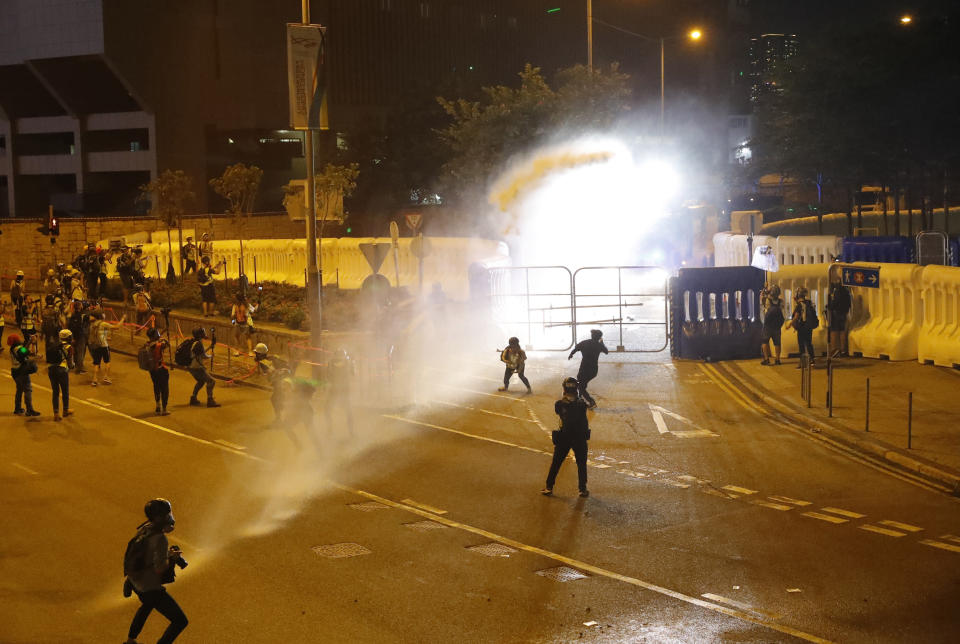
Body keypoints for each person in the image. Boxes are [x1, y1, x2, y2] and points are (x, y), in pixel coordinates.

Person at [123, 498, 189, 644]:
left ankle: (130, 641)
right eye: (167, 514)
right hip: (148, 587)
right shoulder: (160, 539)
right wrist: (171, 558)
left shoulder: (144, 528)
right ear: (160, 518)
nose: (170, 517)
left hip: (134, 581)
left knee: (147, 606)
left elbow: (142, 555)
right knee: (180, 621)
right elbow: (160, 569)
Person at [541, 377, 591, 498]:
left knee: (556, 463)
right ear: (576, 389)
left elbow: (559, 411)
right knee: (581, 464)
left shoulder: (559, 404)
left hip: (564, 437)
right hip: (579, 438)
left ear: (564, 389)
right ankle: (582, 489)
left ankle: (549, 487)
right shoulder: (582, 405)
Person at [568, 329, 608, 408]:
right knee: (582, 383)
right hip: (593, 370)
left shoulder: (585, 342)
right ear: (599, 337)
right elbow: (606, 351)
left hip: (584, 368)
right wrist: (602, 343)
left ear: (592, 336)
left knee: (580, 385)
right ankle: (580, 398)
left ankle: (591, 401)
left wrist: (571, 354)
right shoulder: (599, 345)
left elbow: (576, 349)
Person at [253, 342, 291, 424]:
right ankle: (283, 416)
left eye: (257, 353)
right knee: (278, 399)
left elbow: (275, 372)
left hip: (281, 381)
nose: (255, 355)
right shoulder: (270, 358)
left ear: (260, 354)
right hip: (283, 379)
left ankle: (280, 418)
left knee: (276, 399)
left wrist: (275, 378)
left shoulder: (266, 362)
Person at [88, 309, 124, 386]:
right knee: (107, 361)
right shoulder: (103, 323)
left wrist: (106, 337)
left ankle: (94, 379)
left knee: (96, 363)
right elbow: (116, 327)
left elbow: (96, 335)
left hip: (96, 346)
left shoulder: (92, 324)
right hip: (104, 346)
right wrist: (122, 319)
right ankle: (106, 377)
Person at [324, 348, 355, 436]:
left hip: (334, 389)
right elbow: (353, 374)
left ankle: (330, 430)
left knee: (327, 410)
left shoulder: (330, 363)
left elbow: (328, 376)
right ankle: (351, 432)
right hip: (344, 389)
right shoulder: (349, 362)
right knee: (348, 411)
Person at [187, 327, 220, 407]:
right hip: (197, 367)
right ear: (200, 334)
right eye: (203, 333)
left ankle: (193, 398)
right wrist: (210, 356)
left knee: (201, 381)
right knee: (211, 381)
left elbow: (199, 353)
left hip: (191, 366)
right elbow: (203, 356)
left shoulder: (195, 342)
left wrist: (210, 346)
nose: (205, 334)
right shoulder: (198, 344)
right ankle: (210, 400)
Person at [786, 286, 818, 368]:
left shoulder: (799, 306)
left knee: (801, 345)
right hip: (809, 327)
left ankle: (803, 363)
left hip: (801, 328)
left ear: (798, 294)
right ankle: (812, 360)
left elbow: (796, 316)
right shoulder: (808, 303)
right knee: (809, 343)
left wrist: (790, 324)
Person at [9, 333, 40, 417]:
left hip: (15, 372)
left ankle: (17, 408)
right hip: (21, 371)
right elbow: (26, 352)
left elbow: (23, 350)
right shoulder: (18, 349)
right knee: (28, 390)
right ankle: (29, 410)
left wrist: (29, 341)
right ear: (16, 340)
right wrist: (36, 358)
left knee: (19, 389)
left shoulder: (13, 348)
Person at [47, 328, 74, 421]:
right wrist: (72, 366)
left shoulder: (54, 345)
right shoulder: (69, 347)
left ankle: (56, 413)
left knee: (55, 392)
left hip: (51, 369)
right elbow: (70, 364)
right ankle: (65, 410)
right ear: (68, 337)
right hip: (62, 370)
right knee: (65, 391)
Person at [146, 328, 171, 416]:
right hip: (160, 369)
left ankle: (158, 405)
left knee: (156, 387)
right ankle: (164, 409)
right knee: (164, 389)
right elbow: (168, 344)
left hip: (152, 370)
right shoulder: (159, 345)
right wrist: (164, 340)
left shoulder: (147, 344)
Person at [760, 284, 785, 366]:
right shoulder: (781, 302)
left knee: (765, 341)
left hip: (768, 325)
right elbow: (783, 312)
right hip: (777, 326)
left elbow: (762, 298)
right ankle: (777, 359)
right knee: (777, 343)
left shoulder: (767, 300)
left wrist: (765, 289)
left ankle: (766, 359)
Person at [826, 278, 852, 357]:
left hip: (836, 313)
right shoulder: (846, 291)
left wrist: (829, 306)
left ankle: (834, 349)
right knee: (842, 331)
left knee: (834, 331)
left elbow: (835, 302)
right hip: (843, 313)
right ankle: (843, 349)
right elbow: (849, 303)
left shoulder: (837, 291)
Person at [67, 300, 92, 374]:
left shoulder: (73, 315)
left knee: (75, 352)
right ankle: (79, 369)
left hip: (74, 336)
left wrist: (72, 337)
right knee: (80, 352)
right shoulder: (80, 316)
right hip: (80, 336)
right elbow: (78, 327)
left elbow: (70, 327)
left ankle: (75, 365)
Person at [230, 292, 257, 356]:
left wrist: (233, 323)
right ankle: (250, 352)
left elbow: (232, 315)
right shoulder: (247, 305)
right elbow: (254, 310)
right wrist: (257, 305)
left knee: (236, 337)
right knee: (248, 337)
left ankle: (237, 351)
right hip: (246, 324)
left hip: (237, 323)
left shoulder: (235, 305)